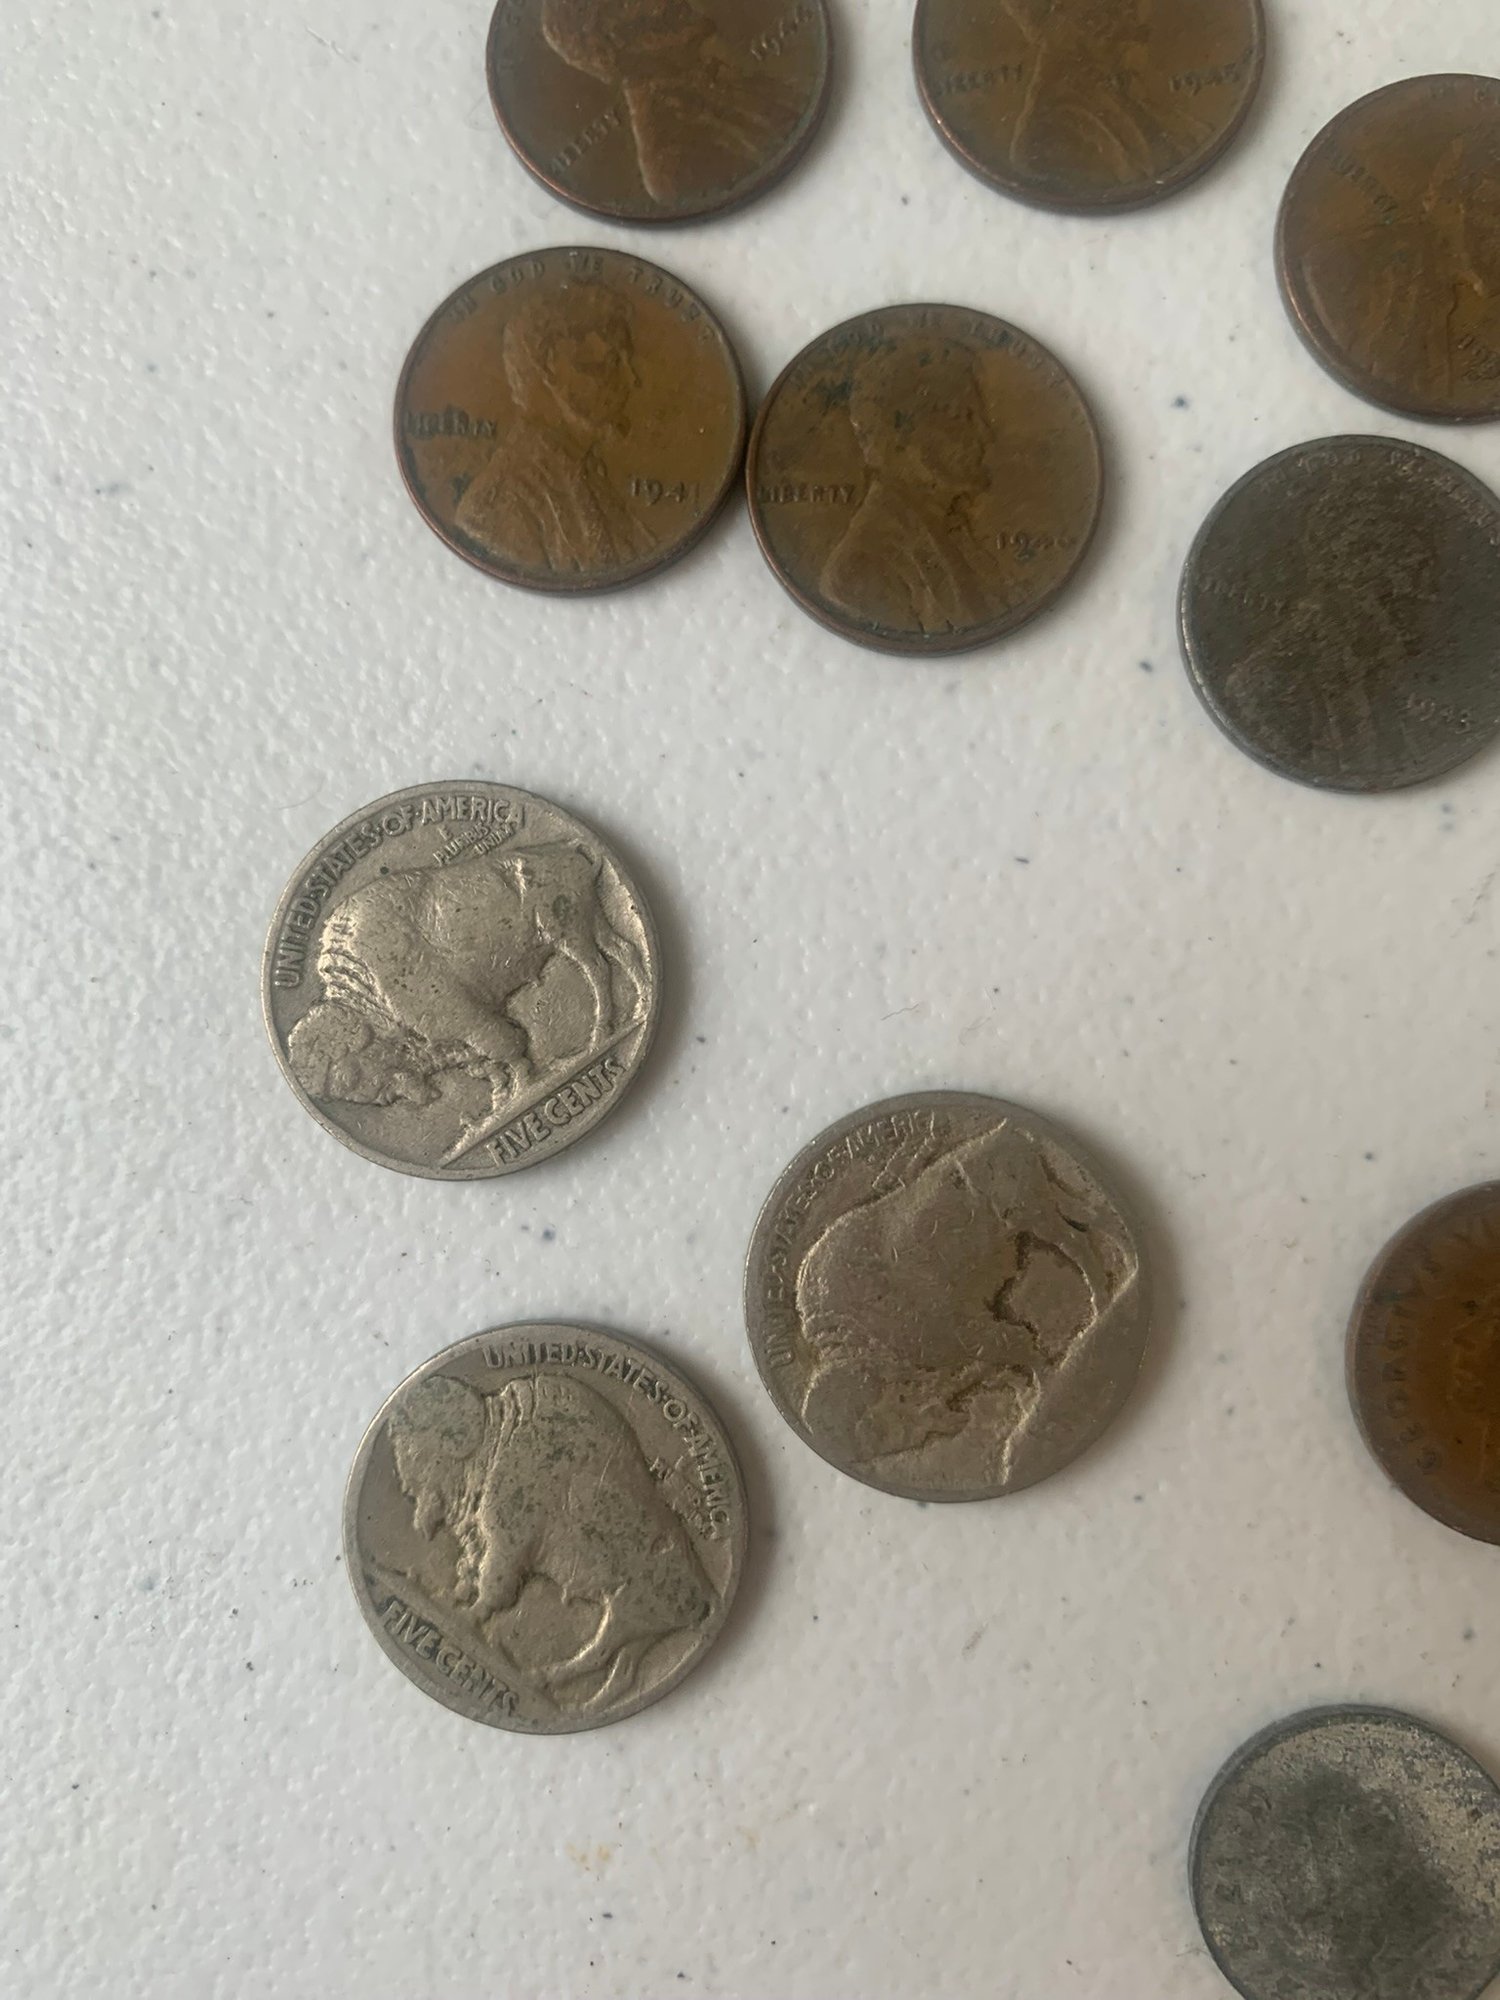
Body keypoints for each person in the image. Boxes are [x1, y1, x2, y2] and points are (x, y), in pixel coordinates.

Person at [455, 281, 650, 575]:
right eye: (611, 361)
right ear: (551, 364)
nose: (633, 380)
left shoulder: (589, 479)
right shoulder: (492, 512)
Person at [820, 338, 1000, 637]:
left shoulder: (957, 538)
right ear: (900, 433)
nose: (986, 434)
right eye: (963, 416)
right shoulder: (859, 573)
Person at [542, 0, 802, 206]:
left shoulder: (726, 81)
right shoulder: (670, 167)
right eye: (674, 13)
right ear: (625, 39)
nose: (676, 4)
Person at [1001, 0, 1206, 186]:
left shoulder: (1133, 101)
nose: (1129, 15)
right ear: (1058, 14)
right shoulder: (1051, 131)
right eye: (1102, 13)